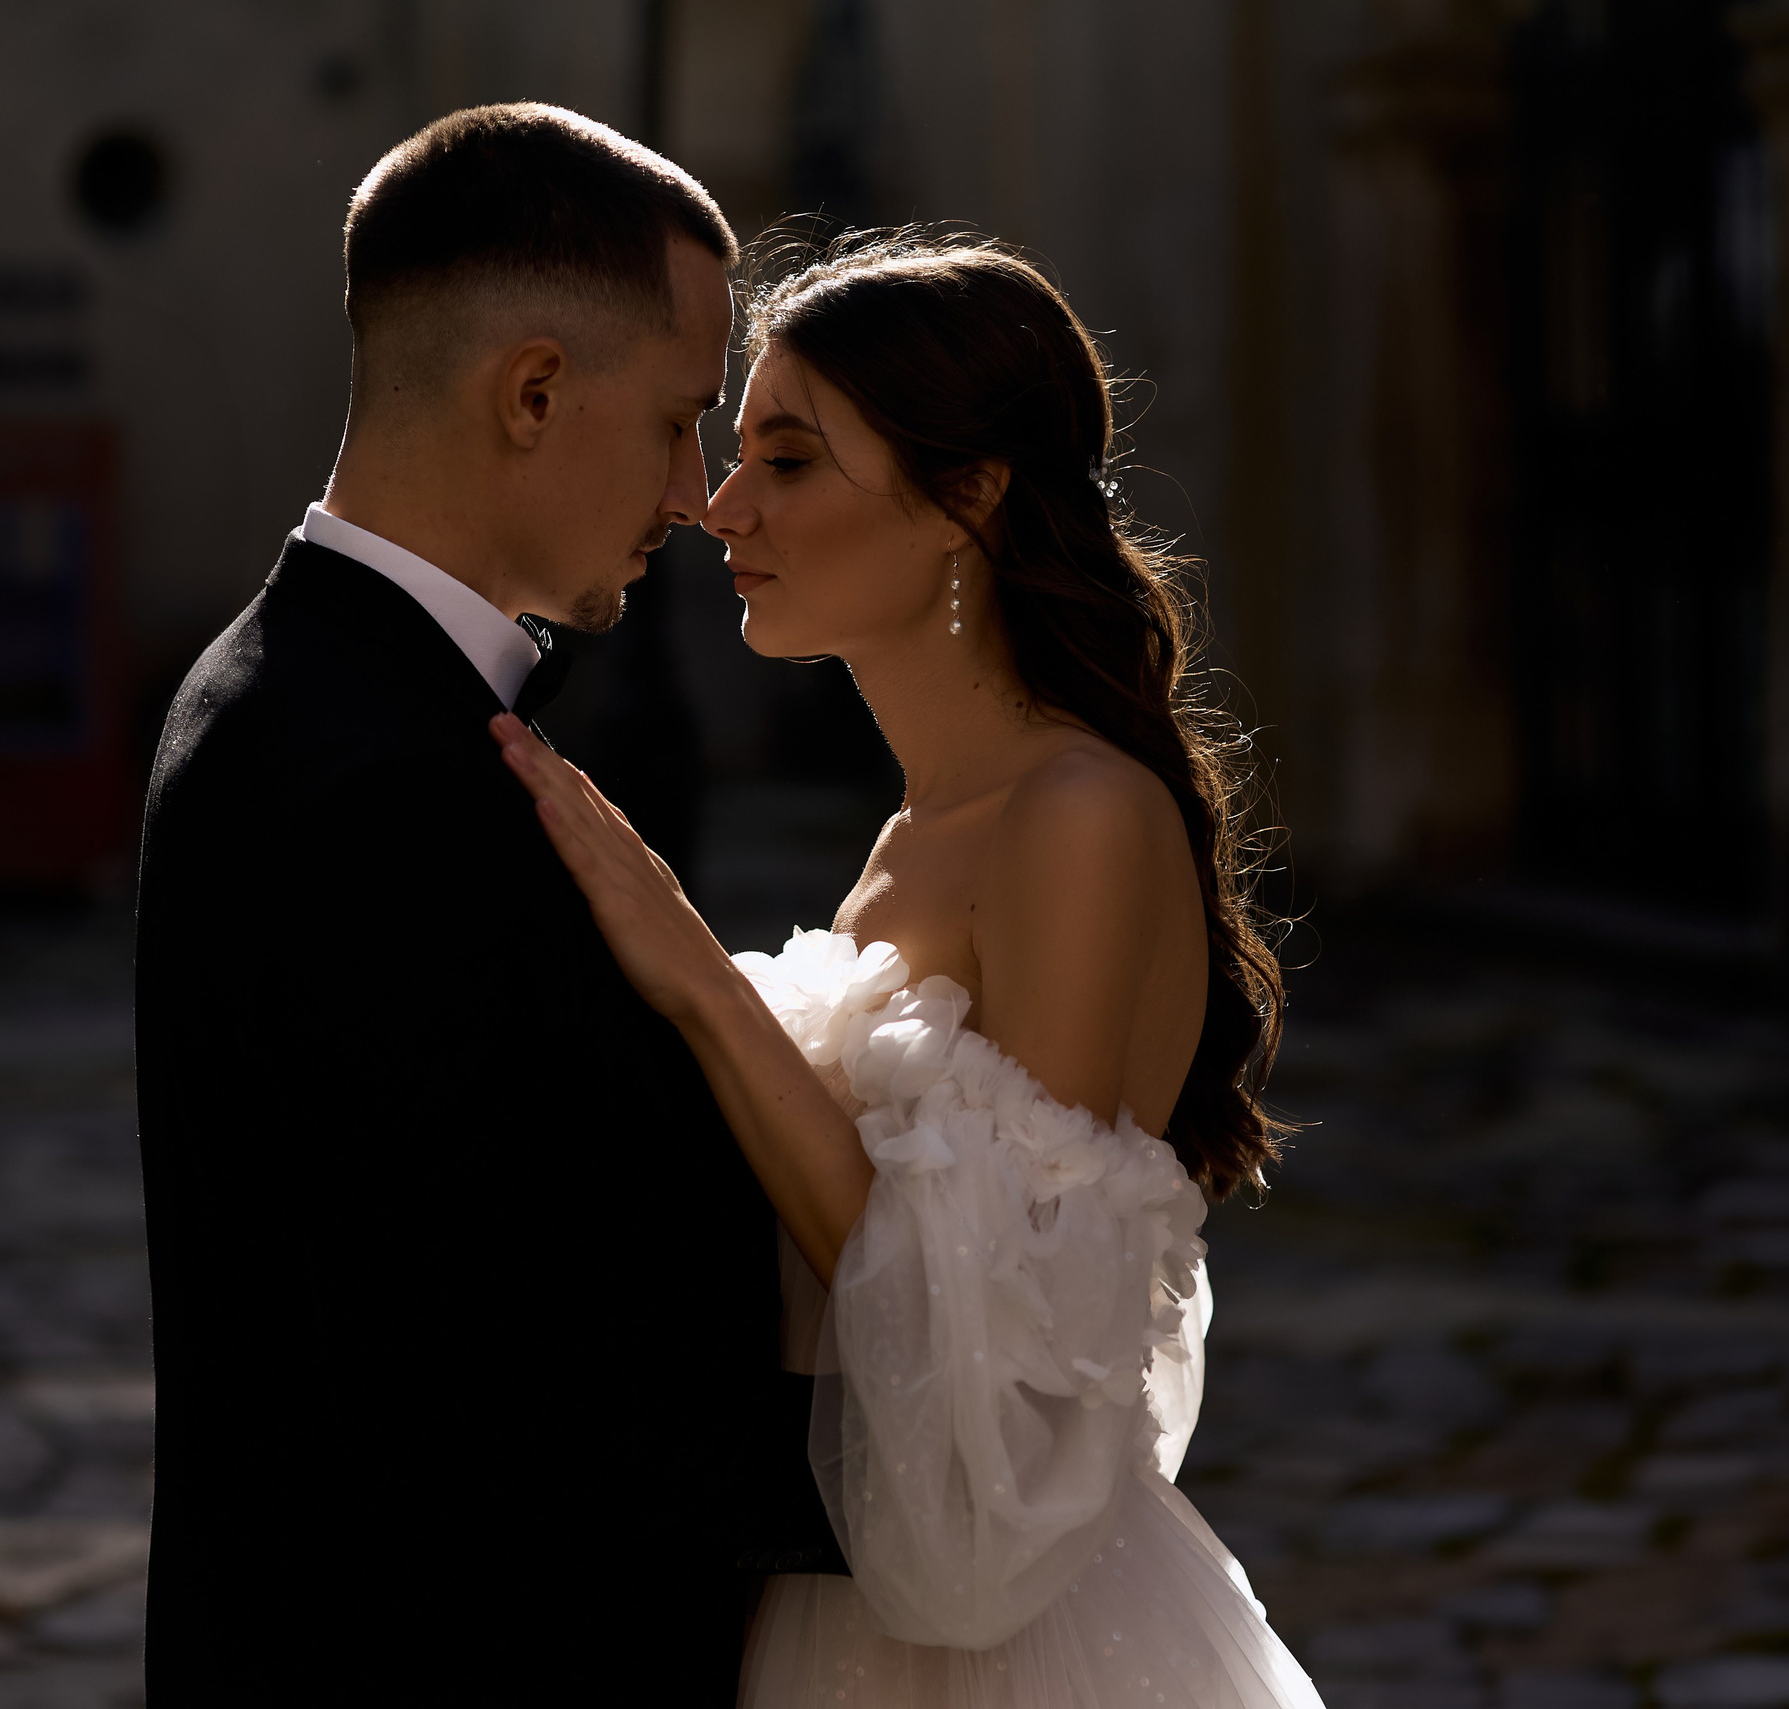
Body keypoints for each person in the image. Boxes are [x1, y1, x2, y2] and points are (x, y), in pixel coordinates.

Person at [492, 231, 1328, 1707]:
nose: (720, 504)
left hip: (1024, 1647)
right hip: (840, 1605)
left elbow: (992, 1367)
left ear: (969, 495)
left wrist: (692, 970)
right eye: (733, 450)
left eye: (791, 460)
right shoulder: (915, 827)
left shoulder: (1077, 814)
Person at [132, 105, 836, 1702]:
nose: (694, 490)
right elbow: (488, 1367)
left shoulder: (288, 688)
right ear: (532, 390)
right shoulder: (373, 772)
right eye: (677, 422)